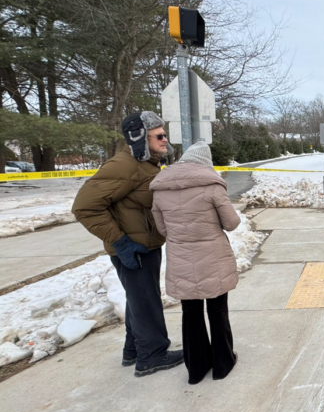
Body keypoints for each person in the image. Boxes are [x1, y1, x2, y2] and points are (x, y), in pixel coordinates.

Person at [72, 111, 183, 377]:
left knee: (139, 299)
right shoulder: (124, 165)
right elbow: (84, 207)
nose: (165, 140)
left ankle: (133, 349)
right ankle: (152, 356)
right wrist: (120, 241)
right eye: (159, 135)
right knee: (146, 302)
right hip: (133, 247)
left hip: (144, 244)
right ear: (140, 137)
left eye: (164, 134)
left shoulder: (144, 164)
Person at [150, 141, 241, 384]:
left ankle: (196, 368)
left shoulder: (160, 189)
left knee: (190, 313)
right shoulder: (212, 187)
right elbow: (231, 223)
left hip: (180, 257)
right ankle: (222, 364)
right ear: (205, 164)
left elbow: (162, 229)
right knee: (217, 310)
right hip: (212, 258)